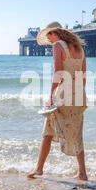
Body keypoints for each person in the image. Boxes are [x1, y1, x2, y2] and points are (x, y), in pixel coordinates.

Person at [27, 22, 88, 181]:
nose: (50, 42)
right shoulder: (79, 48)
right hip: (79, 94)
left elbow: (58, 72)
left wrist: (51, 94)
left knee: (48, 131)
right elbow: (84, 75)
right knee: (77, 133)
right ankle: (82, 172)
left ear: (55, 33)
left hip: (63, 93)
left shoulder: (58, 46)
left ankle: (39, 169)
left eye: (49, 37)